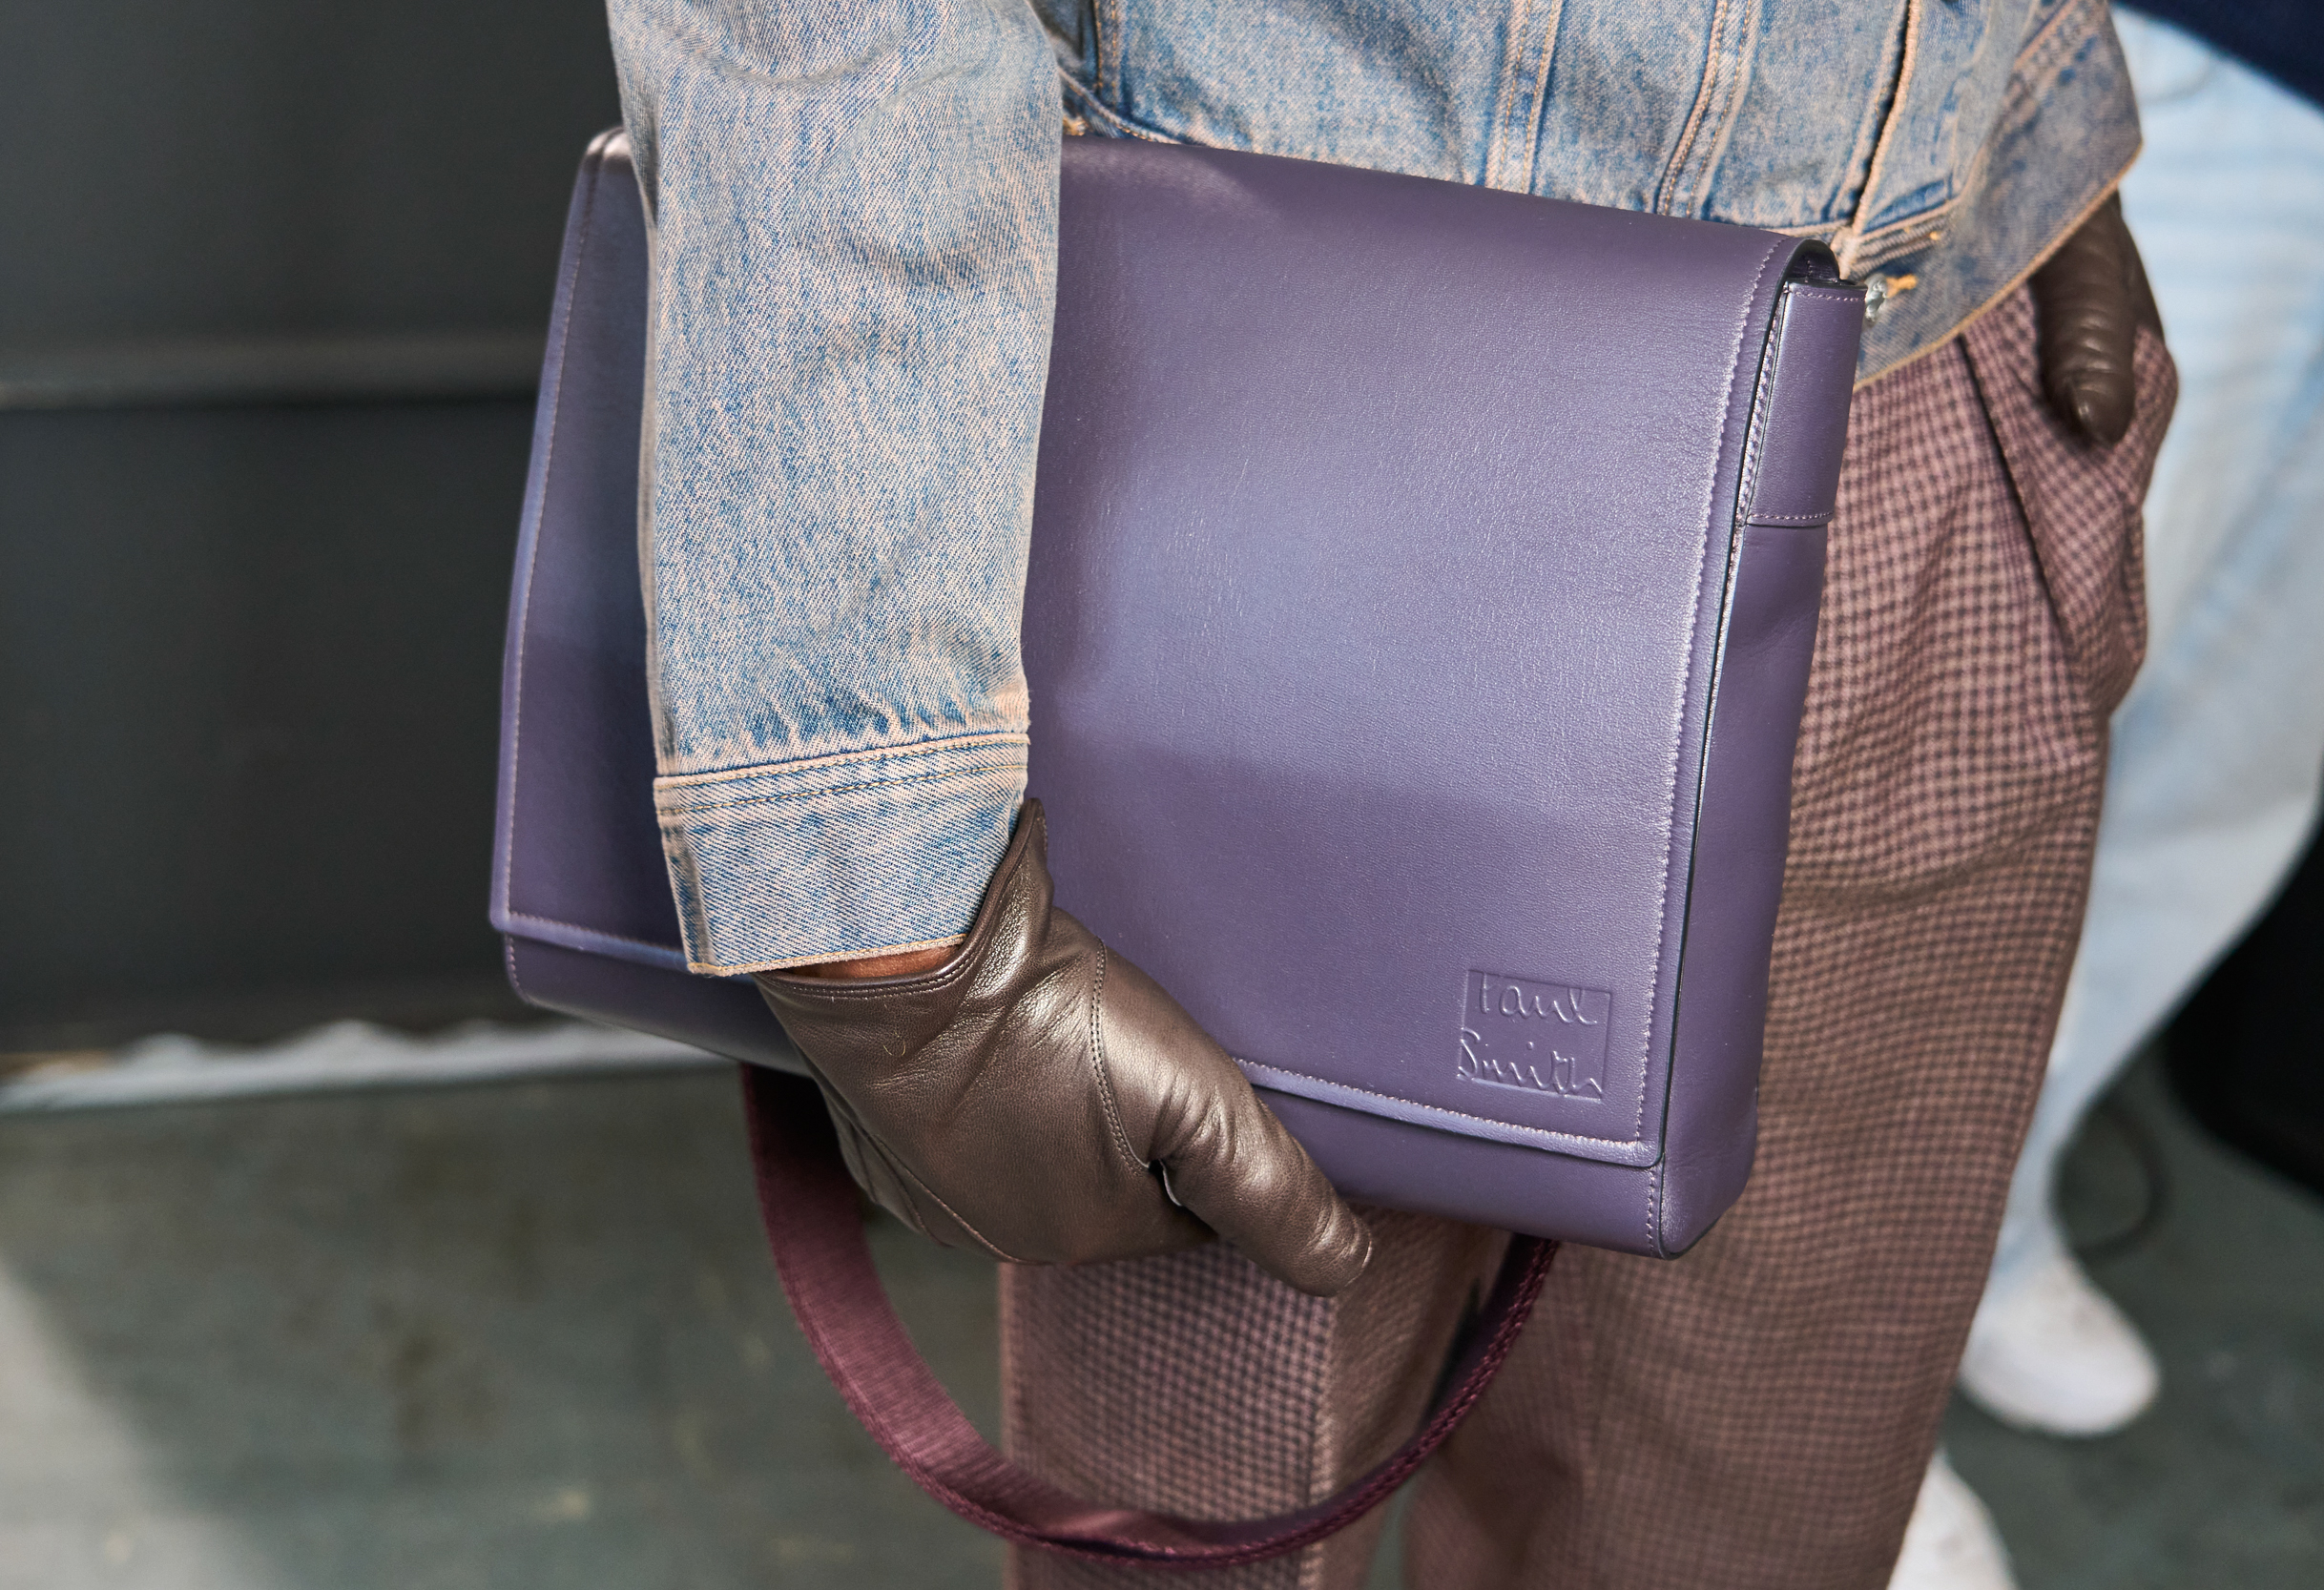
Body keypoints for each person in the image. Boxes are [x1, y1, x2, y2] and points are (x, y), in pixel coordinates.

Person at [601, 4, 2172, 1585]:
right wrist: (885, 915)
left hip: (1912, 380)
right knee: (1217, 1521)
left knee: (1752, 1512)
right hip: (1267, 422)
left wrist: (2034, 128)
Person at [1959, 3, 2324, 1443]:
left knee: (2239, 769)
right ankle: (1801, 1354)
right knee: (1994, 757)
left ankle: (1985, 1224)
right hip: (2172, 54)